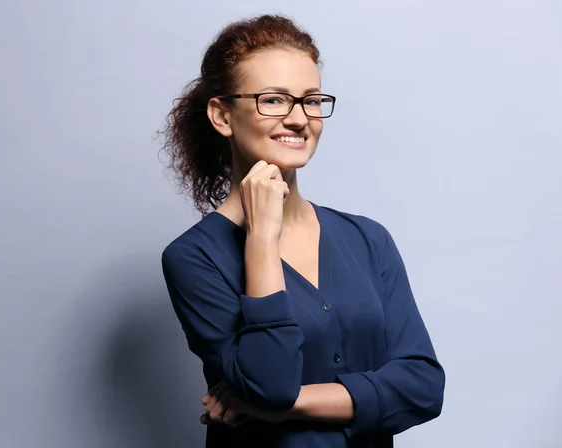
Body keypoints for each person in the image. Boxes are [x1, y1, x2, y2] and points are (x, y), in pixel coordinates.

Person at [159, 14, 445, 447]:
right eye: (273, 100)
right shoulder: (194, 258)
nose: (299, 119)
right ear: (222, 115)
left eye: (311, 100)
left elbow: (423, 386)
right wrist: (260, 240)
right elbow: (271, 381)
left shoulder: (368, 239)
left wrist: (283, 402)